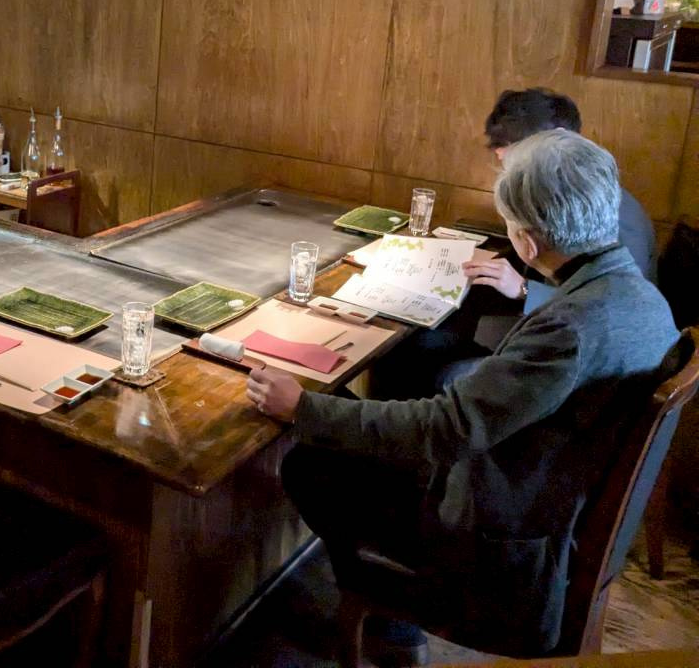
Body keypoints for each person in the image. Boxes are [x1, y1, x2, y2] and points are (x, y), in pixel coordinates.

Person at [247, 130, 680, 664]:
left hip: (504, 540)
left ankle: (396, 612)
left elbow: (445, 429)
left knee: (311, 465)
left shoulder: (570, 329)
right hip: (547, 500)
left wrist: (303, 407)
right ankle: (391, 616)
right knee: (387, 403)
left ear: (527, 243)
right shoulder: (643, 298)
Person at [375, 87, 657, 398]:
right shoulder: (576, 195)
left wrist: (524, 289)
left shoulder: (616, 221)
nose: (508, 170)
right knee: (421, 339)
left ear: (558, 140)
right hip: (568, 358)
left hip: (572, 377)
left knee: (422, 355)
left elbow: (610, 308)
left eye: (516, 159)